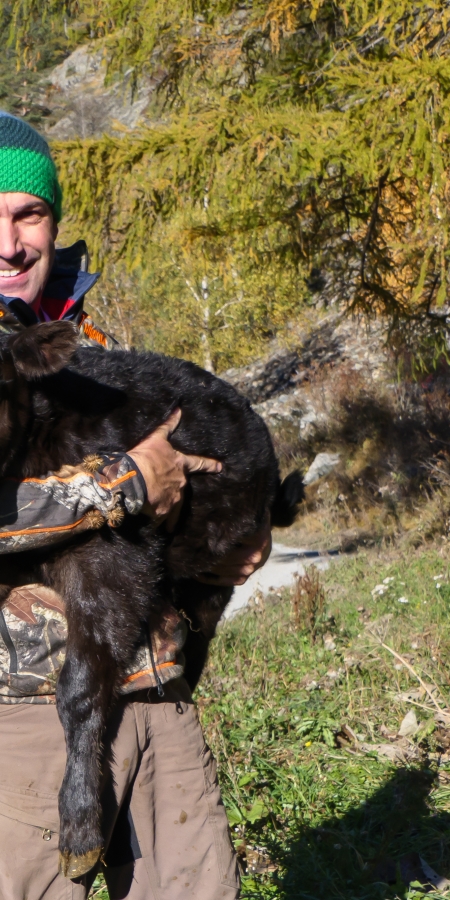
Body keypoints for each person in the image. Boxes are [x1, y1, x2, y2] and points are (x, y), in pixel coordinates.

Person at [0, 112, 271, 900]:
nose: (12, 241)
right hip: (22, 727)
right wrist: (124, 485)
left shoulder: (94, 343)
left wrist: (236, 541)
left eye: (30, 213)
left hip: (155, 700)